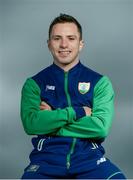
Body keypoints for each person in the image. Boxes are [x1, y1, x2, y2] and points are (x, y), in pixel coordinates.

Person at [20, 14, 126, 179]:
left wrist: (51, 120)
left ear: (80, 44)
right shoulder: (33, 84)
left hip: (91, 162)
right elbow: (31, 124)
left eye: (71, 38)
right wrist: (78, 112)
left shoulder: (100, 83)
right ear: (49, 44)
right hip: (45, 163)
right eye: (57, 38)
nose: (64, 44)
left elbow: (100, 128)